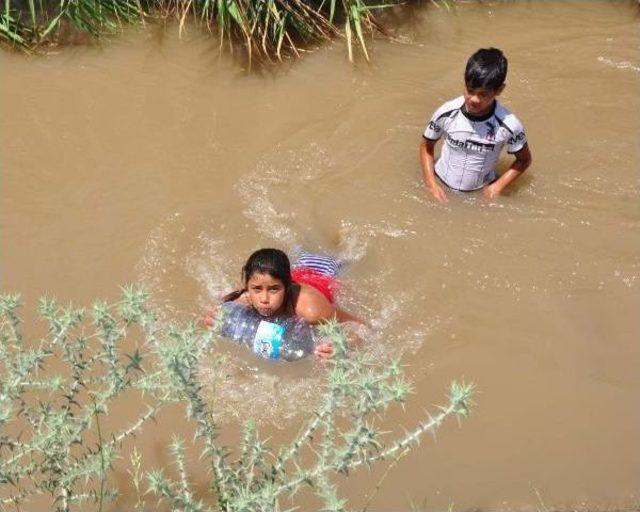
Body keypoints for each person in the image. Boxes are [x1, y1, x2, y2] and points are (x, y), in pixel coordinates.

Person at [203, 248, 362, 359]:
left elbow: (361, 326)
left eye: (274, 290)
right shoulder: (245, 299)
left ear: (287, 287)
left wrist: (341, 346)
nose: (264, 299)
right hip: (298, 268)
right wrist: (212, 320)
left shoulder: (311, 310)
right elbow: (210, 318)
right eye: (256, 289)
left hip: (326, 273)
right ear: (247, 287)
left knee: (345, 255)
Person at [419, 47, 532, 203]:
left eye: (483, 94)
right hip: (440, 184)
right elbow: (426, 147)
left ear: (499, 90)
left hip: (479, 194)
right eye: (470, 90)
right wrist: (431, 185)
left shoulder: (509, 125)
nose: (474, 99)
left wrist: (497, 187)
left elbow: (524, 160)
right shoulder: (446, 112)